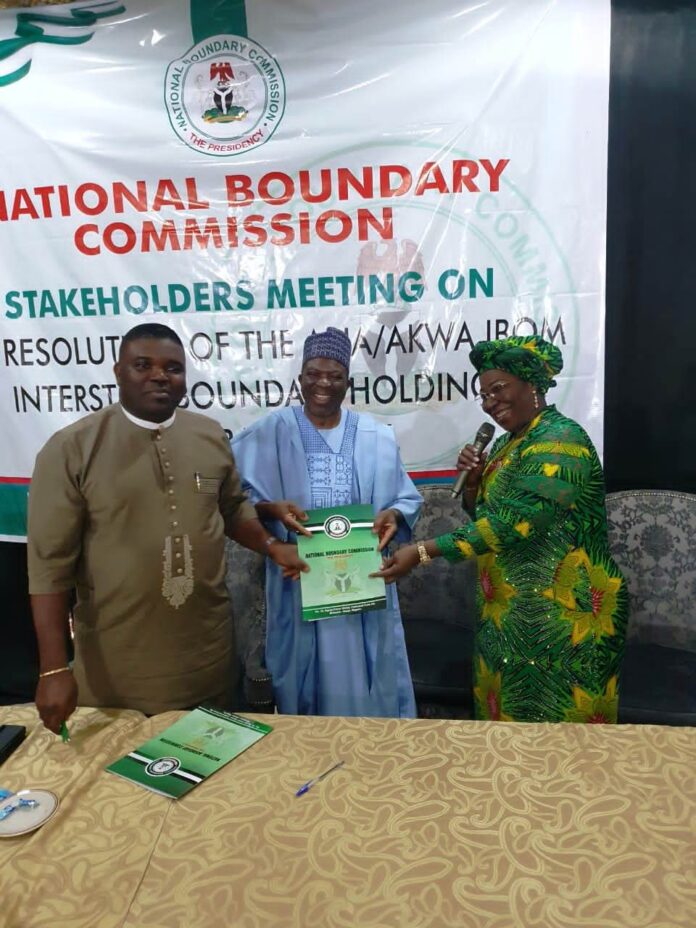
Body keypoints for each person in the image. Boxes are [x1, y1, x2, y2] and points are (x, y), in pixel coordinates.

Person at [28, 323, 306, 732]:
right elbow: (48, 567)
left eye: (173, 368)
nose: (160, 375)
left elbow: (231, 509)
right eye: (143, 365)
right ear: (118, 371)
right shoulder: (73, 448)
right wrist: (53, 670)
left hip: (207, 657)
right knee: (123, 789)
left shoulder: (208, 435)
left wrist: (270, 545)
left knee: (212, 780)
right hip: (119, 669)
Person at [374, 336, 628, 724]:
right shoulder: (511, 444)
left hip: (563, 623)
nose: (491, 402)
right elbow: (487, 516)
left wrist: (423, 552)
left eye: (498, 389)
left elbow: (514, 523)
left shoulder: (561, 440)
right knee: (508, 741)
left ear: (531, 385)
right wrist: (474, 482)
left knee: (565, 742)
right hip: (510, 615)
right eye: (484, 395)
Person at [231, 327, 422, 717]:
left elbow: (405, 498)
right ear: (300, 378)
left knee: (369, 672)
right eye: (314, 373)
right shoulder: (271, 432)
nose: (323, 383)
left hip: (362, 583)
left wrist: (395, 515)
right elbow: (232, 496)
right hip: (299, 580)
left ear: (347, 382)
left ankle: (372, 757)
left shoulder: (375, 435)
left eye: (335, 375)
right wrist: (270, 510)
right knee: (303, 678)